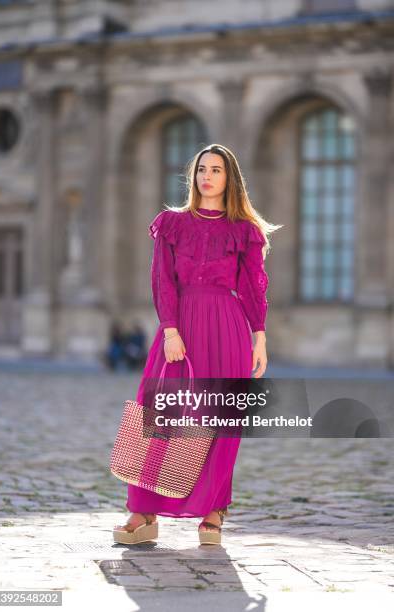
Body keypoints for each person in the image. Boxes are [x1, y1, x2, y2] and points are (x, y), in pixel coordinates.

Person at [113, 143, 282, 546]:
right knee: (159, 412)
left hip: (228, 327)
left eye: (216, 170)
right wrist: (170, 330)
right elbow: (161, 280)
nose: (207, 176)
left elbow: (253, 287)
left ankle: (213, 511)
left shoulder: (245, 231)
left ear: (230, 179)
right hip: (181, 326)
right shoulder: (171, 224)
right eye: (202, 169)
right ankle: (142, 511)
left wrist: (259, 336)